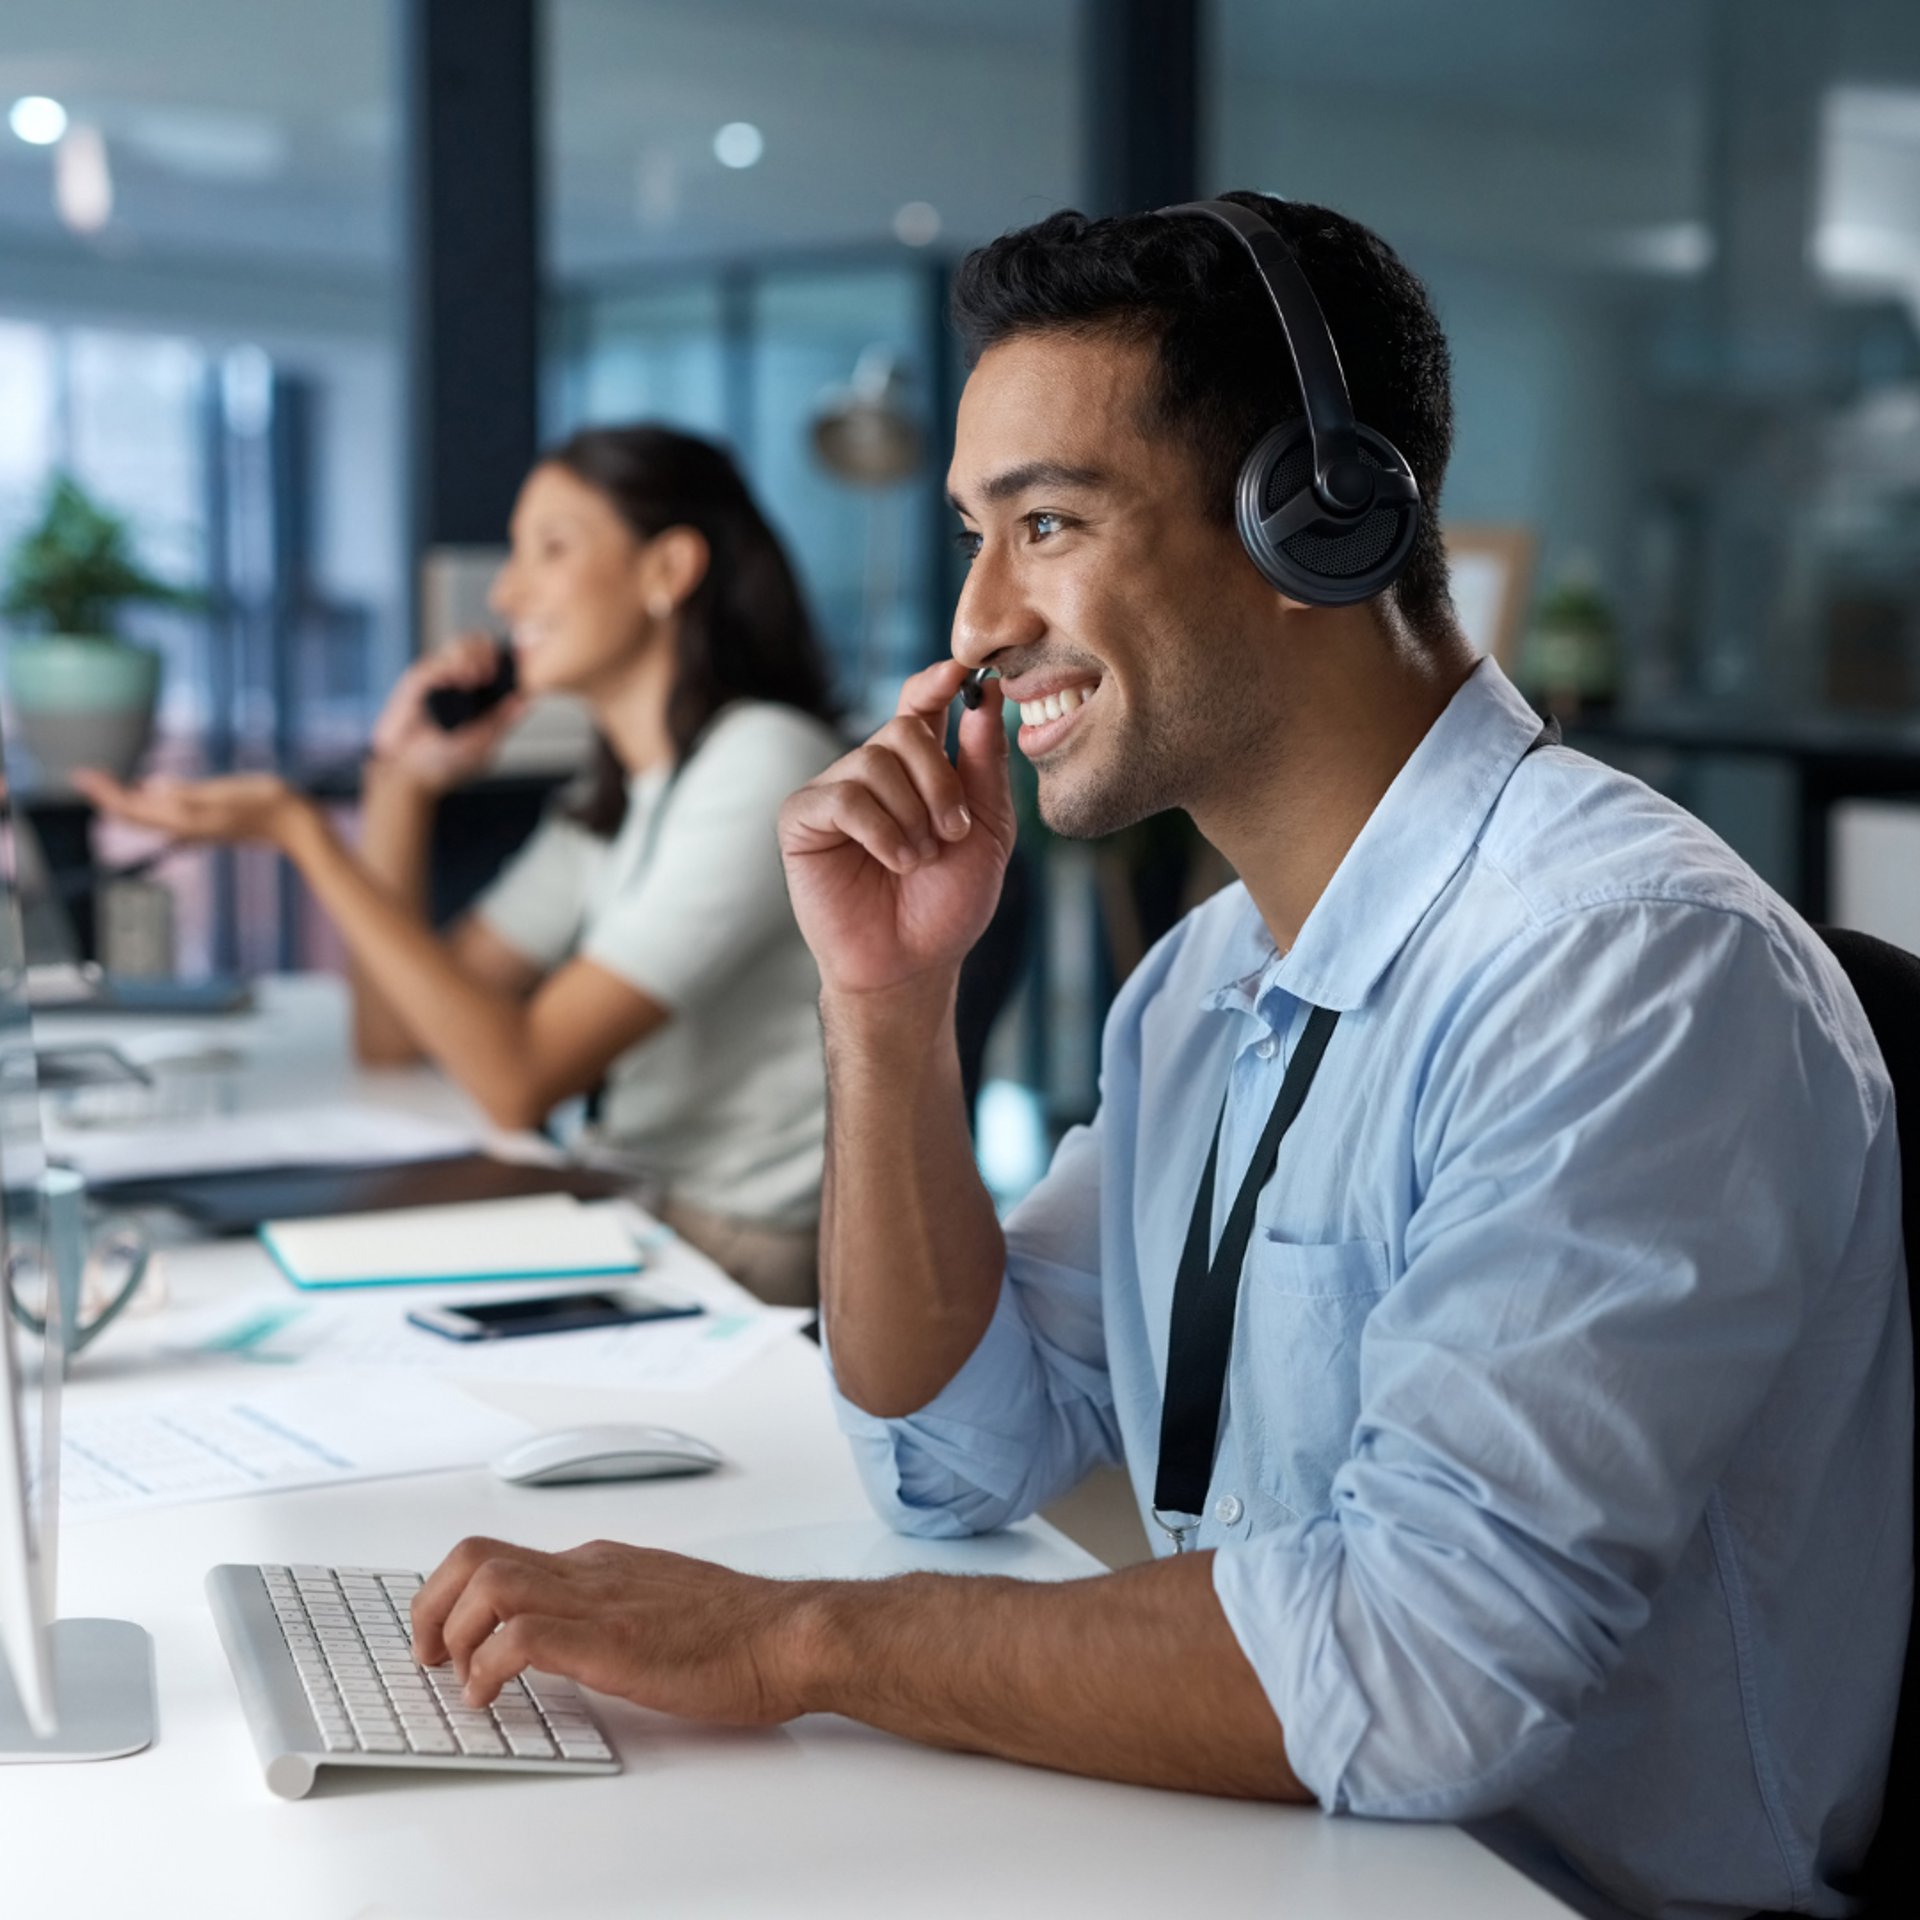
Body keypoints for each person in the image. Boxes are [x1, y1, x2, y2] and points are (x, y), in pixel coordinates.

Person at [407, 197, 1910, 1918]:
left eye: (1046, 523)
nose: (975, 619)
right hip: (1272, 1844)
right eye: (975, 532)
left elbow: (1426, 1671)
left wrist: (793, 1639)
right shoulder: (1206, 981)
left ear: (1315, 527)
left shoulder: (1622, 969)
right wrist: (889, 1012)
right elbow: (953, 1455)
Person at [77, 426, 841, 1304]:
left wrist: (304, 832)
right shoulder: (623, 789)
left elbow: (515, 1078)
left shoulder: (762, 765)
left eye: (550, 550)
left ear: (667, 571)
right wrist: (400, 786)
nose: (510, 593)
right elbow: (396, 1037)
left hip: (734, 1250)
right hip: (637, 1210)